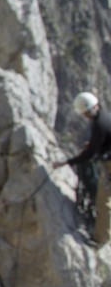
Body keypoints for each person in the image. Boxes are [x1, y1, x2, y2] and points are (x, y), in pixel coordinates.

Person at [54, 90, 111, 245]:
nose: (85, 117)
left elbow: (88, 155)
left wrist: (66, 162)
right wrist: (95, 146)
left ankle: (101, 239)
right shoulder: (105, 115)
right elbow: (102, 140)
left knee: (104, 202)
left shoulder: (99, 124)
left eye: (86, 114)